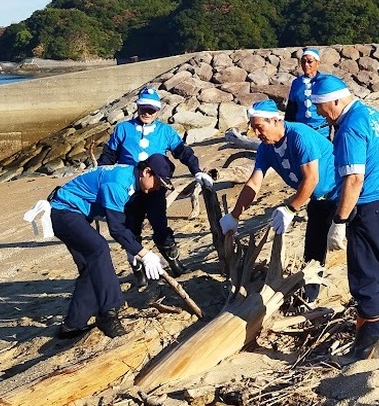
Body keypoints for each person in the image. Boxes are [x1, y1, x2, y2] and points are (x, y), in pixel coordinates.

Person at [310, 74, 379, 364]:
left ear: (335, 101)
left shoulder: (350, 127)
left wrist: (339, 222)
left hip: (368, 207)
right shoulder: (372, 115)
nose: (320, 114)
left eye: (321, 107)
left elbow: (354, 178)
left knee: (366, 276)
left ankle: (365, 348)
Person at [218, 99, 339, 305]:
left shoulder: (299, 136)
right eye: (253, 128)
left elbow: (311, 179)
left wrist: (290, 209)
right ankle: (310, 293)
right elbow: (254, 182)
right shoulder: (266, 149)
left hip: (342, 193)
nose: (256, 133)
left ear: (275, 121)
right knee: (313, 247)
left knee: (356, 241)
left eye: (259, 127)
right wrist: (235, 215)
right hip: (317, 200)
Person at [46, 154, 175, 339]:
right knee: (98, 249)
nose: (158, 188)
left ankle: (72, 325)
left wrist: (133, 248)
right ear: (147, 172)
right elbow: (116, 229)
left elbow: (124, 221)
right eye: (158, 182)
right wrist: (143, 254)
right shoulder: (117, 183)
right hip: (62, 212)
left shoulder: (131, 180)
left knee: (91, 267)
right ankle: (108, 313)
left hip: (74, 213)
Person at [98, 86, 214, 284]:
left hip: (155, 188)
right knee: (131, 230)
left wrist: (197, 170)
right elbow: (107, 158)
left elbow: (183, 152)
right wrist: (100, 181)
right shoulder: (123, 129)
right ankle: (138, 269)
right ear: (137, 107)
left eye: (151, 109)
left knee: (160, 226)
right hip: (128, 190)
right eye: (144, 108)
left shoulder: (165, 131)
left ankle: (174, 263)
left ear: (158, 111)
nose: (147, 113)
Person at [285, 47, 331, 138]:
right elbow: (291, 109)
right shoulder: (296, 83)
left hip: (322, 132)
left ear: (318, 63)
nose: (306, 64)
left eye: (310, 62)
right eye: (303, 62)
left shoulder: (325, 82)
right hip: (302, 132)